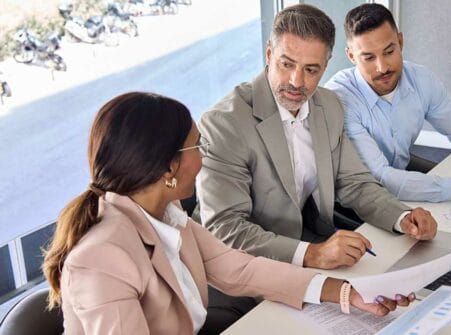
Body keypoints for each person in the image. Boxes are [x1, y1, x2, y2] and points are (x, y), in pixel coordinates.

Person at [41, 92, 414, 335]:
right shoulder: (103, 256)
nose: (203, 159)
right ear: (169, 167)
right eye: (196, 147)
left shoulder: (168, 217)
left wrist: (347, 293)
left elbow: (241, 269)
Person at [197, 3, 437, 273]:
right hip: (244, 263)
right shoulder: (224, 123)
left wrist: (402, 217)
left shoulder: (329, 105)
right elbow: (225, 227)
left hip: (309, 240)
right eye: (287, 64)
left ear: (326, 66)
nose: (297, 82)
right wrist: (311, 254)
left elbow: (354, 183)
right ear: (268, 54)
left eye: (311, 70)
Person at [325, 3, 451, 203]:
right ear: (351, 56)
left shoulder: (421, 80)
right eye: (369, 58)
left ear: (400, 42)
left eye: (389, 52)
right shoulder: (340, 99)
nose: (382, 67)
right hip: (354, 201)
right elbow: (380, 178)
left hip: (400, 173)